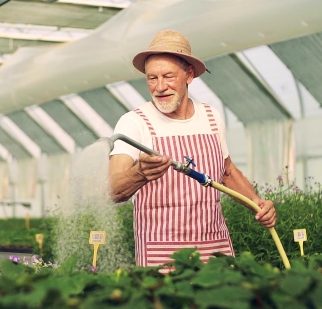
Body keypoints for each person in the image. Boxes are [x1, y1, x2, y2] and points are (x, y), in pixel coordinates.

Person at [108, 29, 276, 267]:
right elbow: (113, 190)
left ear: (189, 75)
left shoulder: (211, 116)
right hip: (162, 253)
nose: (160, 87)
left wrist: (257, 203)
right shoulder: (135, 122)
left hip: (214, 249)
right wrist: (140, 173)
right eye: (152, 78)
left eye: (168, 76)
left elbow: (227, 172)